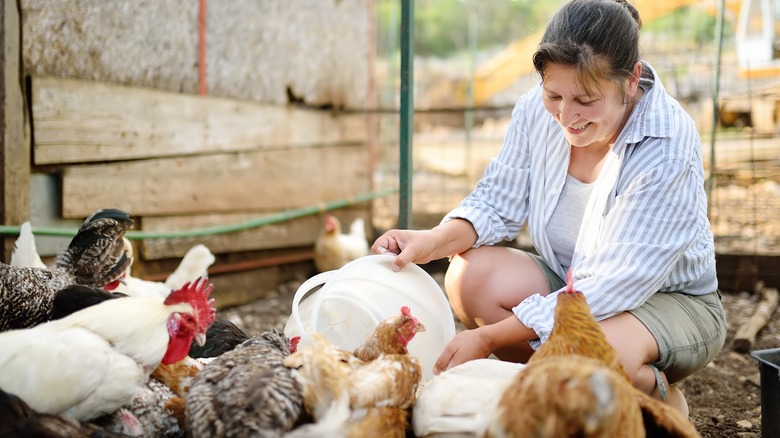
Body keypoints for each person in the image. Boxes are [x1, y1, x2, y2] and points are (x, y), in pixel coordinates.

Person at [371, 0, 726, 416]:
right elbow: (495, 202)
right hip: (575, 281)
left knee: (586, 352)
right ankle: (560, 388)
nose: (566, 115)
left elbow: (611, 284)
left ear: (631, 81)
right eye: (553, 94)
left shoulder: (666, 145)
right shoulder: (536, 112)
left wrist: (489, 340)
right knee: (470, 277)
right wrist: (430, 242)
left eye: (586, 100)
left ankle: (652, 394)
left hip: (669, 301)